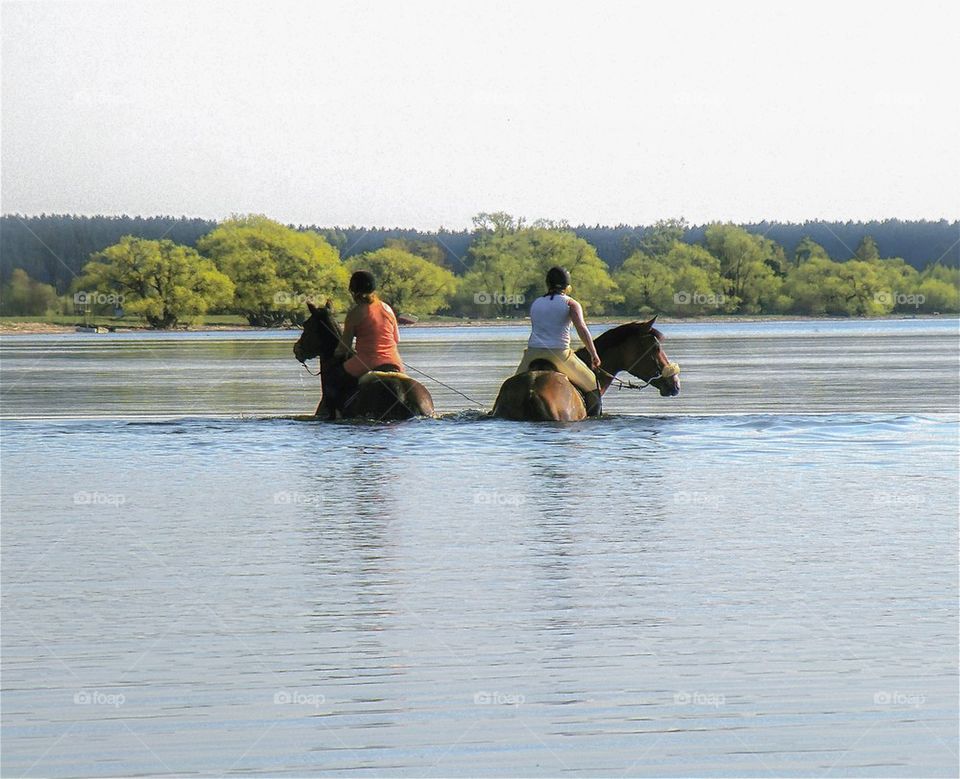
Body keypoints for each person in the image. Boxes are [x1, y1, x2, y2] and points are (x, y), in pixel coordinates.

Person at [514, 266, 603, 416]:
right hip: (559, 354)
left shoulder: (536, 303)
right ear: (567, 287)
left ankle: (494, 411)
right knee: (594, 386)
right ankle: (593, 420)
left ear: (547, 284)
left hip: (532, 353)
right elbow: (581, 329)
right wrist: (594, 354)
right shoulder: (571, 304)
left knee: (511, 385)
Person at [326, 270, 404, 416]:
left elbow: (344, 347)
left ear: (353, 291)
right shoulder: (387, 308)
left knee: (332, 380)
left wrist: (336, 353)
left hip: (367, 362)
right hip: (395, 362)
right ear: (373, 289)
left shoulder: (355, 313)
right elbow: (396, 339)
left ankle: (333, 416)